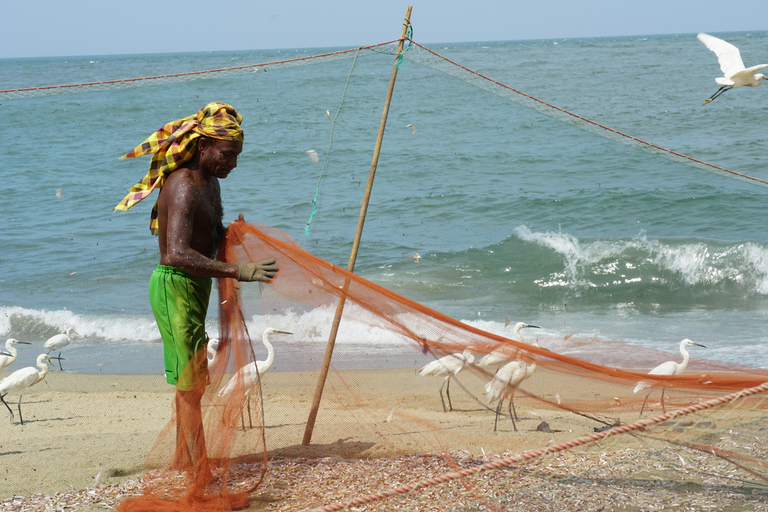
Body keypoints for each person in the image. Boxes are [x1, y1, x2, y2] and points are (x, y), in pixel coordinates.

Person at [115, 102, 278, 481]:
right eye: (227, 155)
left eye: (237, 156)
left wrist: (230, 233)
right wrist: (239, 271)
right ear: (203, 146)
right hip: (175, 286)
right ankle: (199, 475)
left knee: (192, 380)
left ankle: (182, 460)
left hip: (194, 285)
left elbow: (207, 236)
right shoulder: (184, 186)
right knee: (192, 383)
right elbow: (175, 253)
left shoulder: (210, 183)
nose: (233, 164)